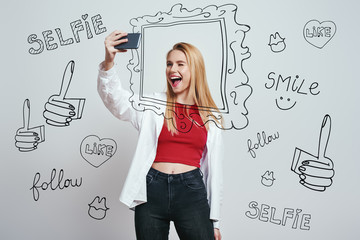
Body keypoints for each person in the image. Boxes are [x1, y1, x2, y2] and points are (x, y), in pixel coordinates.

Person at [97, 30, 223, 240]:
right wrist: (109, 62)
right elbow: (116, 101)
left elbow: (214, 171)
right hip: (151, 191)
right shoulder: (152, 104)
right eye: (169, 64)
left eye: (180, 64)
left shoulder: (210, 116)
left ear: (195, 69)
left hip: (191, 191)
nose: (172, 69)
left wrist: (215, 222)